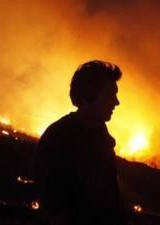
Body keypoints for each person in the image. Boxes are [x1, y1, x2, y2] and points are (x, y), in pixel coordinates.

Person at [35, 60, 124, 225]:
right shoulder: (59, 138)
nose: (116, 102)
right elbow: (54, 206)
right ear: (87, 96)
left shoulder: (101, 137)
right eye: (109, 95)